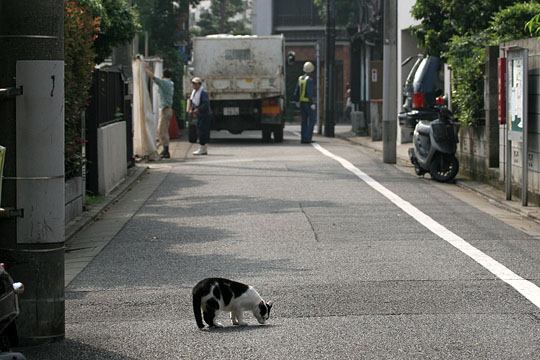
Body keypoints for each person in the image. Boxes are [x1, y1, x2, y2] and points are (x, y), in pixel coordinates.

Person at [145, 65, 174, 159]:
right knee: (163, 131)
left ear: (163, 75)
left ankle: (166, 151)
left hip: (165, 110)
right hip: (168, 109)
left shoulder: (165, 83)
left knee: (162, 131)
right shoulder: (170, 83)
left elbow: (153, 78)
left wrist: (146, 69)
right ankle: (165, 150)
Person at [293, 61, 316, 143]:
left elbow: (296, 91)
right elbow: (310, 93)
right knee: (312, 120)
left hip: (302, 103)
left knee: (304, 121)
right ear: (311, 71)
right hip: (308, 104)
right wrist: (312, 103)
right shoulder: (309, 80)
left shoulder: (300, 78)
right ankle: (308, 138)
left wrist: (296, 101)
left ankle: (303, 138)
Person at [188, 77, 211, 155]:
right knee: (199, 130)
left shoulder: (203, 93)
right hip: (199, 115)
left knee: (202, 131)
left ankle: (203, 148)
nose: (194, 85)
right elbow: (191, 101)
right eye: (193, 83)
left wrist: (198, 109)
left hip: (204, 115)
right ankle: (203, 148)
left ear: (199, 84)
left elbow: (205, 104)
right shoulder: (194, 92)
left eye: (195, 83)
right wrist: (191, 109)